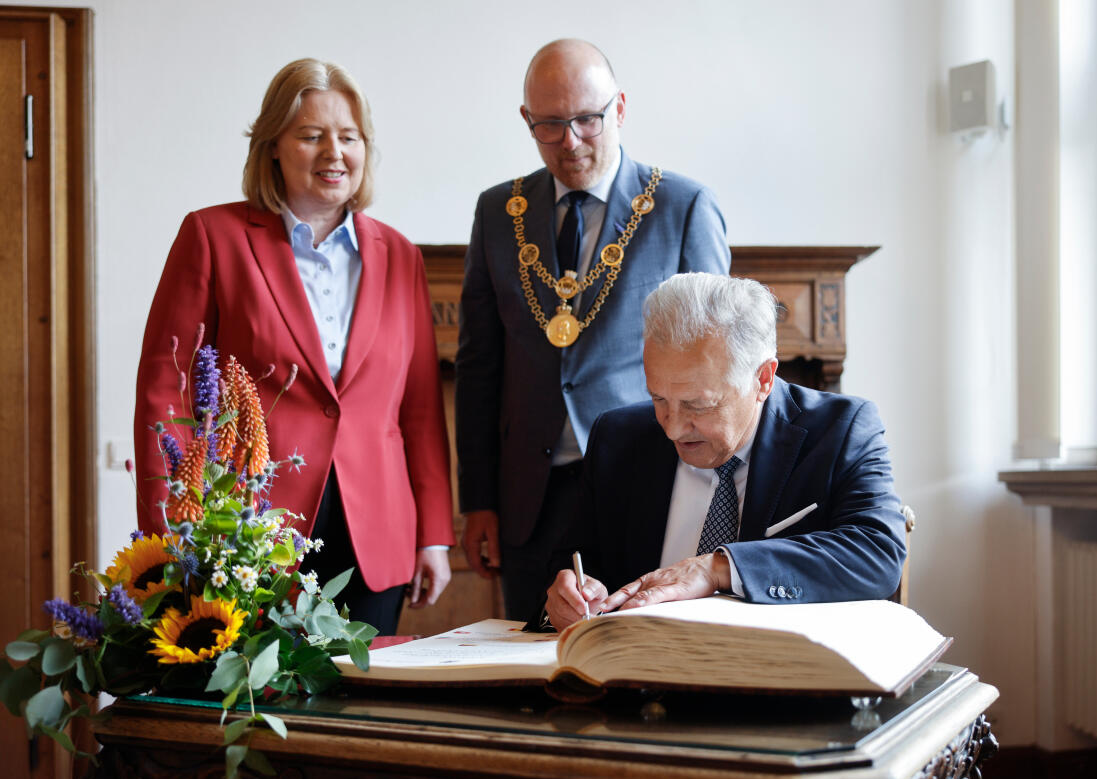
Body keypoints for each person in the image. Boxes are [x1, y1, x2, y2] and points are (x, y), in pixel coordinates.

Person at [133, 58, 454, 635]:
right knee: (262, 706)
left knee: (364, 709)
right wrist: (171, 532)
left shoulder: (401, 255)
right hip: (246, 530)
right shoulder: (212, 237)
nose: (335, 152)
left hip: (376, 535)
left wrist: (433, 534)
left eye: (349, 137)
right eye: (311, 135)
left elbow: (421, 409)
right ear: (273, 146)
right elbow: (167, 391)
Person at [455, 38, 731, 621]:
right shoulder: (496, 213)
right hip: (529, 496)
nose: (571, 141)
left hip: (644, 479)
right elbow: (479, 369)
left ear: (620, 109)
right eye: (550, 125)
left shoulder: (683, 207)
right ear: (527, 121)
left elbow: (717, 361)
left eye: (587, 120)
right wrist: (477, 502)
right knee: (532, 663)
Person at [544, 273, 907, 631]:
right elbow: (574, 566)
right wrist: (569, 599)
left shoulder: (841, 430)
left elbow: (877, 552)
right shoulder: (618, 437)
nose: (672, 427)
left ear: (762, 380)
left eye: (697, 406)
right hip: (639, 677)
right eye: (659, 398)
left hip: (779, 678)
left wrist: (718, 568)